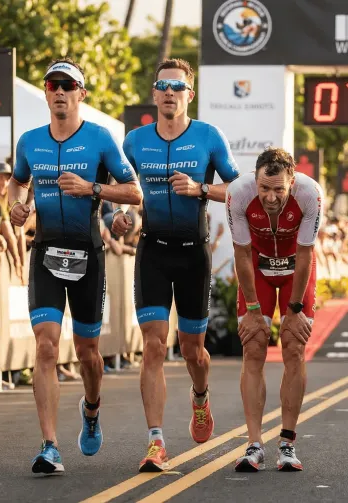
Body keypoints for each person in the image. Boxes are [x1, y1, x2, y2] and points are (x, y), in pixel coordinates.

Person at [7, 58, 142, 476]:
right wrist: (16, 204)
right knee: (46, 345)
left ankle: (92, 407)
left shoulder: (100, 138)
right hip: (47, 251)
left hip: (88, 255)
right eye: (52, 85)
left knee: (87, 353)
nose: (59, 91)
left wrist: (92, 189)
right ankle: (50, 445)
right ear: (46, 92)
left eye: (68, 85)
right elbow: (17, 181)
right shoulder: (30, 141)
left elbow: (134, 192)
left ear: (81, 93)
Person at [112, 58, 240, 472]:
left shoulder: (208, 136)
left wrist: (201, 187)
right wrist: (122, 212)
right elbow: (122, 187)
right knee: (152, 345)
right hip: (152, 250)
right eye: (162, 86)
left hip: (192, 253)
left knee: (192, 351)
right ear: (154, 94)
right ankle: (155, 442)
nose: (169, 93)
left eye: (177, 87)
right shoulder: (134, 141)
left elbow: (240, 190)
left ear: (189, 94)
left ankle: (200, 398)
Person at [226, 147, 322, 472]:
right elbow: (241, 254)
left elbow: (307, 254)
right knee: (253, 347)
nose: (270, 197)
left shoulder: (310, 195)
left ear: (292, 182)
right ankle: (254, 445)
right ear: (255, 180)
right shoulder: (238, 194)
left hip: (296, 268)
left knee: (294, 347)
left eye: (278, 189)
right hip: (258, 268)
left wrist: (294, 309)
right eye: (264, 188)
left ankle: (287, 443)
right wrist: (253, 309)